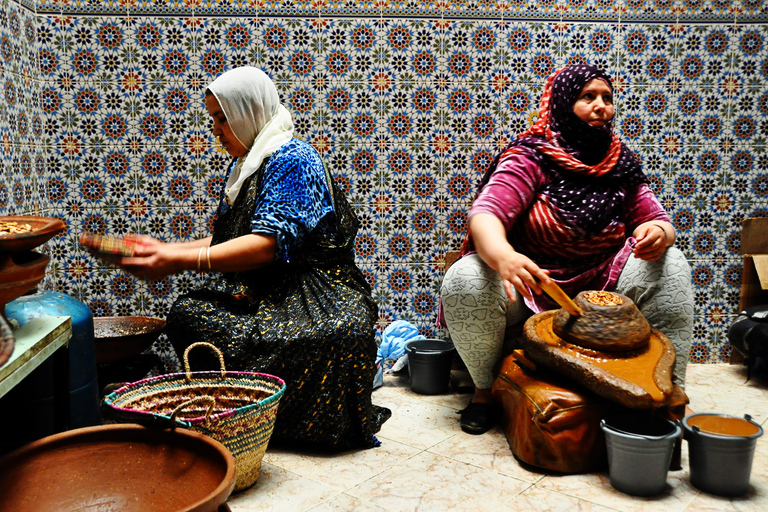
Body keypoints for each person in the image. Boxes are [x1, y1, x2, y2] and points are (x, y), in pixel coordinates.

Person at [118, 66, 390, 450]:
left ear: (248, 112)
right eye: (213, 118)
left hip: (321, 297)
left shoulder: (293, 160)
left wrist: (178, 260)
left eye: (222, 118)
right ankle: (237, 416)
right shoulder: (248, 163)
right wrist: (165, 250)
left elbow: (265, 245)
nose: (215, 130)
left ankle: (276, 422)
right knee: (186, 316)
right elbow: (225, 239)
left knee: (335, 335)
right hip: (266, 294)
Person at [440, 64, 694, 435]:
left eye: (607, 98)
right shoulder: (530, 154)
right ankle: (484, 392)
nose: (601, 106)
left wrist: (657, 232)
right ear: (561, 103)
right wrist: (504, 255)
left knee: (670, 264)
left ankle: (669, 396)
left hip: (604, 288)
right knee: (465, 278)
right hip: (534, 285)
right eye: (587, 97)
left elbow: (656, 217)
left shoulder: (619, 160)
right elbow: (486, 214)